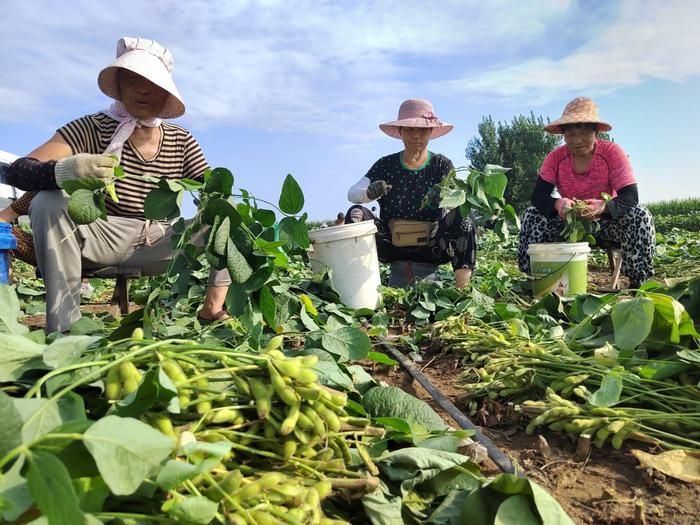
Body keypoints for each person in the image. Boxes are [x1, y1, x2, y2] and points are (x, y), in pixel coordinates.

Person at [5, 37, 231, 332]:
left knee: (226, 213)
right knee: (49, 200)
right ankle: (64, 329)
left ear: (165, 92)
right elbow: (20, 171)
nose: (142, 89)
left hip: (161, 240)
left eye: (152, 82)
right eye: (133, 79)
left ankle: (212, 308)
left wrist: (216, 202)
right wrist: (66, 170)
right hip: (100, 235)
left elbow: (211, 191)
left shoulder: (182, 140)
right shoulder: (91, 127)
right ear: (119, 84)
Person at [517, 97, 655, 289]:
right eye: (571, 134)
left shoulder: (612, 153)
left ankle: (639, 281)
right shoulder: (555, 158)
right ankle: (534, 278)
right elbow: (538, 196)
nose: (577, 140)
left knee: (640, 215)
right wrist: (559, 205)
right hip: (568, 226)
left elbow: (630, 197)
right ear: (563, 135)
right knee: (532, 214)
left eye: (584, 133)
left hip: (606, 224)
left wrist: (603, 206)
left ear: (596, 132)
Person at [345, 99, 476, 288]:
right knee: (355, 213)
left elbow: (457, 201)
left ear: (431, 132)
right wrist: (369, 194)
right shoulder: (385, 165)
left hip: (431, 247)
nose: (417, 135)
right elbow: (352, 194)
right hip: (391, 245)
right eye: (409, 129)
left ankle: (462, 288)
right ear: (400, 132)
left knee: (466, 215)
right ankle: (359, 287)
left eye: (423, 130)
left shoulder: (441, 165)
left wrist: (445, 197)